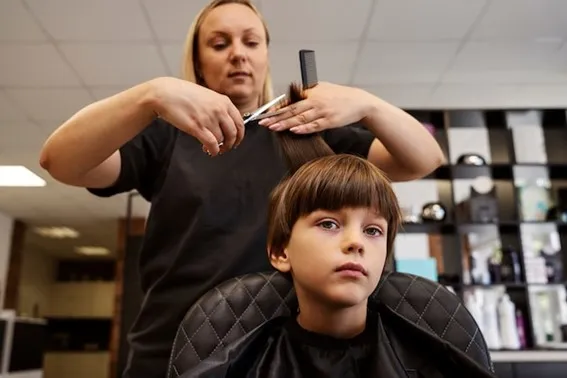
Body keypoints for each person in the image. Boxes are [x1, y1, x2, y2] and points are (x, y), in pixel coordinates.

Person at [38, 0, 445, 377]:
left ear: (265, 55)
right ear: (198, 61)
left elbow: (423, 158)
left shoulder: (303, 131)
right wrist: (151, 94)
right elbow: (61, 161)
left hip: (286, 353)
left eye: (251, 42)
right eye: (219, 43)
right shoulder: (166, 137)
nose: (238, 53)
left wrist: (367, 105)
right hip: (172, 349)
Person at [181, 154, 495, 378]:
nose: (355, 242)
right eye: (329, 224)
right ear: (280, 251)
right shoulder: (240, 365)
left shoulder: (435, 359)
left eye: (373, 231)